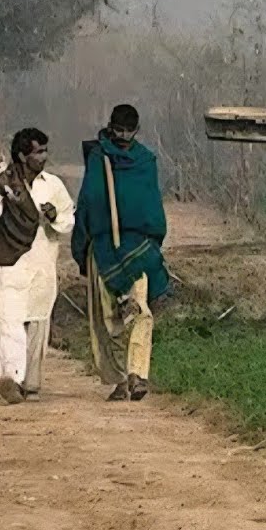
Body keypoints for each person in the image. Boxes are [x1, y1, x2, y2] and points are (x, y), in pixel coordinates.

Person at [0, 127, 75, 404]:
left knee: (38, 322)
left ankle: (32, 384)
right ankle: (11, 379)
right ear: (22, 155)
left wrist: (54, 217)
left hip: (41, 263)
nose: (44, 157)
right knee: (9, 322)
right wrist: (3, 197)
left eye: (45, 151)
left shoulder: (53, 185)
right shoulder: (1, 182)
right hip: (9, 262)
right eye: (38, 152)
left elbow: (68, 220)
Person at [72, 104, 170, 402]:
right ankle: (117, 379)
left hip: (137, 248)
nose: (124, 137)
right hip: (102, 247)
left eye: (129, 131)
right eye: (119, 131)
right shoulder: (98, 157)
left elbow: (151, 204)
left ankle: (138, 374)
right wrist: (84, 245)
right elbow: (88, 203)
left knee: (141, 311)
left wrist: (152, 242)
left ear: (137, 130)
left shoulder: (145, 161)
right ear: (110, 127)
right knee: (107, 318)